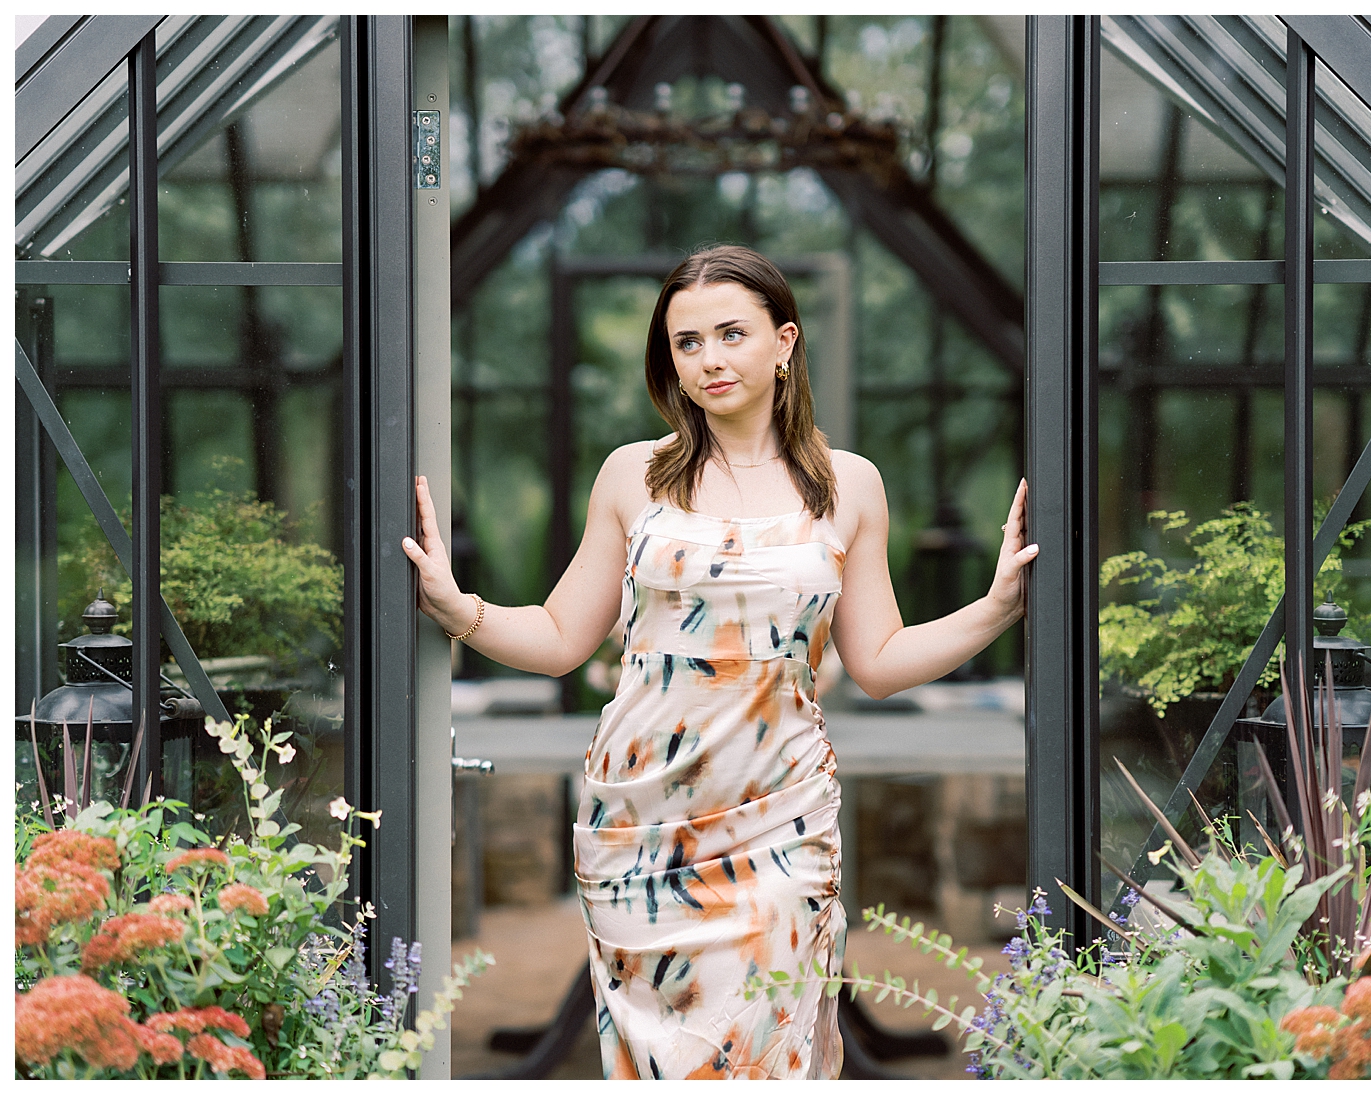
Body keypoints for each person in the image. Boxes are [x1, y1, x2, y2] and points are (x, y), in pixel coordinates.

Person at [403, 245, 1038, 1079]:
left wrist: (994, 609)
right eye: (686, 342)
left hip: (781, 821)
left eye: (731, 334)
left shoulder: (851, 487)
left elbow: (879, 661)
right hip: (640, 828)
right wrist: (461, 610)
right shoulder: (633, 475)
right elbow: (561, 636)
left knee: (768, 1056)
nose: (709, 360)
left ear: (784, 341)